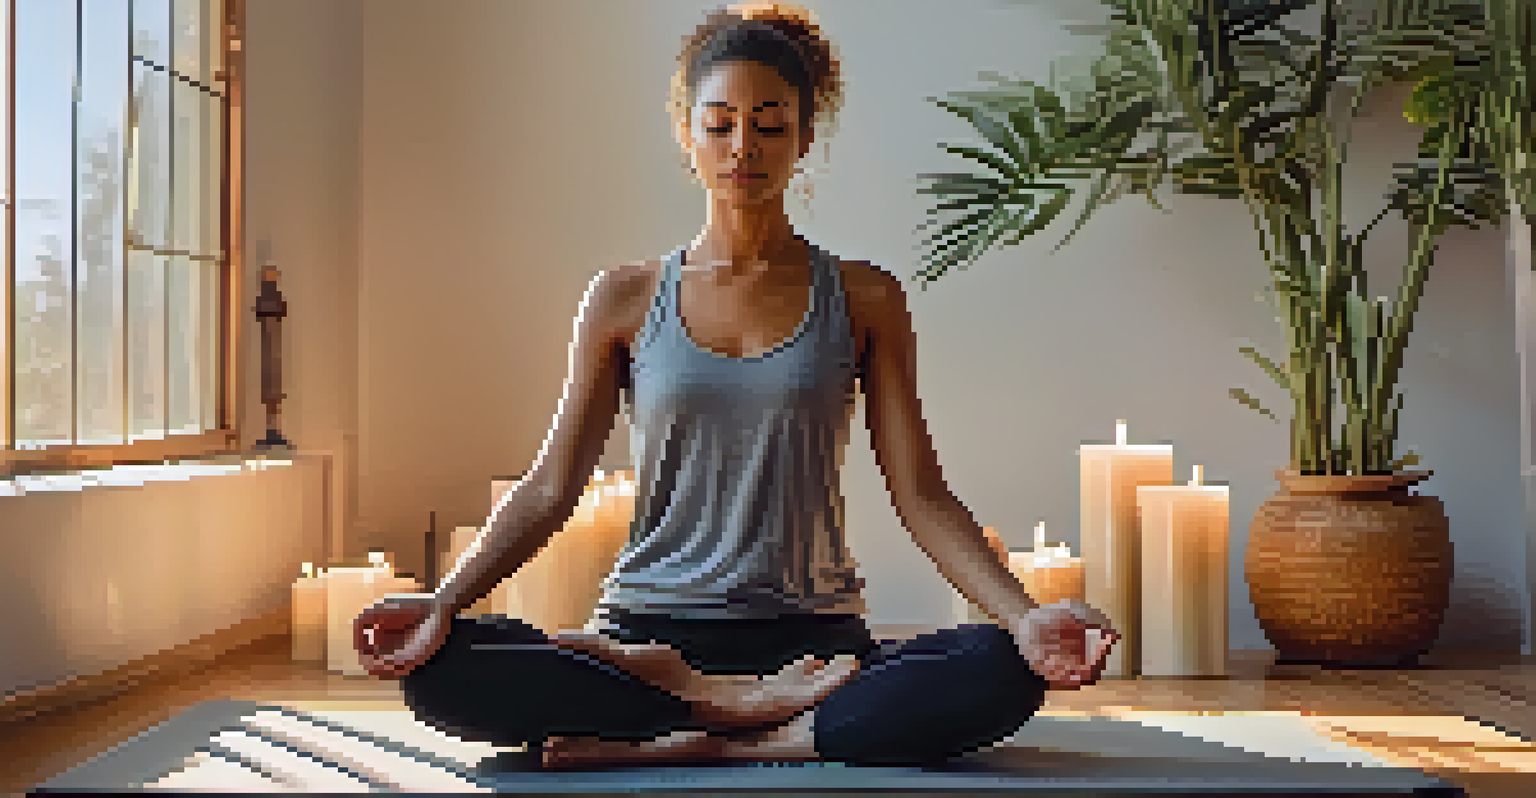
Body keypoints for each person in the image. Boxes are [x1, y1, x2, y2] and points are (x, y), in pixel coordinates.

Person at [353, 1, 1119, 770]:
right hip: (647, 634)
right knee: (443, 670)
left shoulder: (865, 297)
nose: (742, 146)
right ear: (687, 134)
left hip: (813, 645)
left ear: (805, 138)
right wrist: (442, 603)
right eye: (719, 124)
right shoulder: (623, 298)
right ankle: (738, 713)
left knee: (1001, 669)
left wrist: (1026, 620)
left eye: (770, 123)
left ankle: (690, 730)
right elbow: (553, 485)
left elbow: (921, 493)